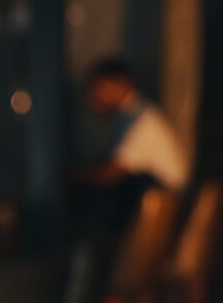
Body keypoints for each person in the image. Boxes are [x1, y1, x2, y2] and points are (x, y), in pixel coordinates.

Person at [72, 57, 193, 232]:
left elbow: (113, 173)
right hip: (163, 203)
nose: (93, 99)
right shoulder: (127, 117)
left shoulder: (140, 121)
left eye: (98, 89)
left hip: (167, 208)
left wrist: (72, 175)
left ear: (122, 85)